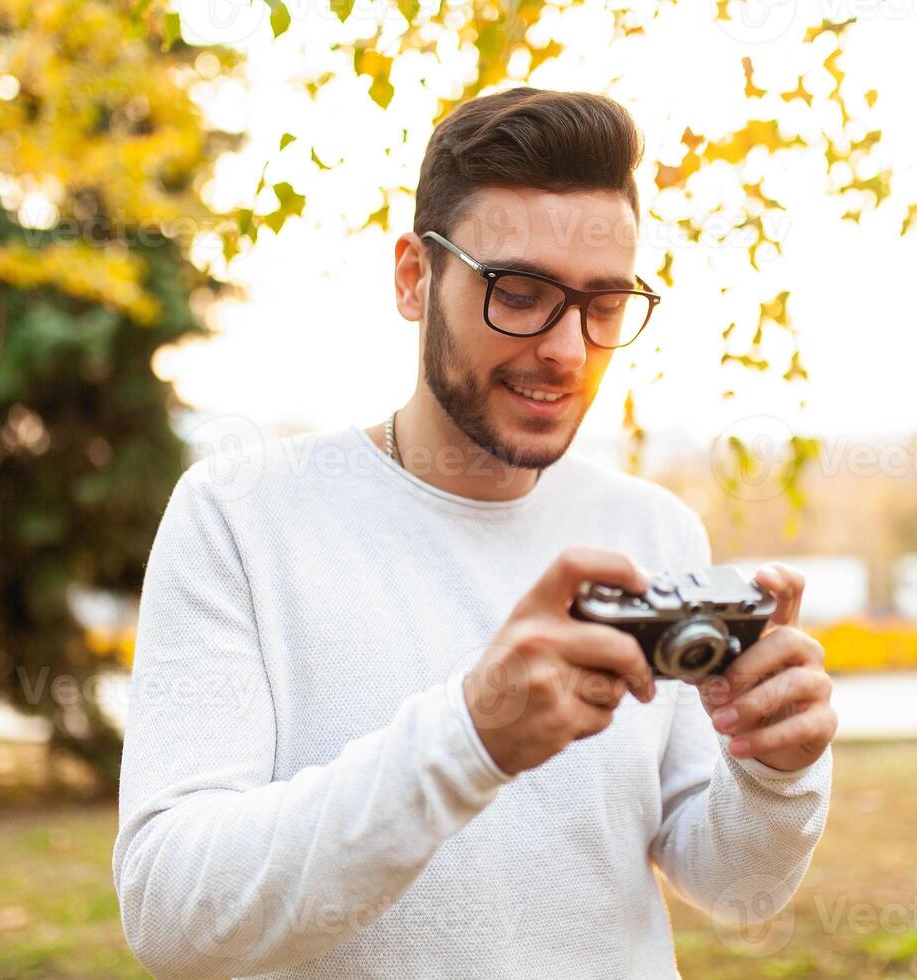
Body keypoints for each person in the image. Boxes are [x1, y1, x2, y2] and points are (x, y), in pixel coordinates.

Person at [112, 86, 836, 979]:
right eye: (521, 293)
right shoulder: (239, 516)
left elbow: (733, 889)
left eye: (603, 305)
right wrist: (471, 737)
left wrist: (776, 771)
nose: (567, 350)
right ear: (415, 278)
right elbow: (170, 914)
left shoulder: (655, 527)